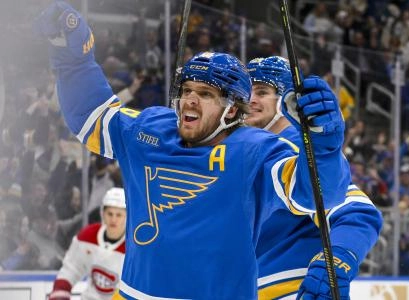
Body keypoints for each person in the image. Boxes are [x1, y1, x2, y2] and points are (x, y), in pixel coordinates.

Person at [35, 2, 381, 299]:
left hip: (280, 288)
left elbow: (331, 201)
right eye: (187, 89)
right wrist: (74, 60)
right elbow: (94, 117)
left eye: (206, 93)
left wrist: (324, 145)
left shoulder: (269, 149)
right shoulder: (153, 130)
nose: (190, 99)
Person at [246, 56, 382, 299]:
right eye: (246, 91)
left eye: (262, 91)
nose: (251, 99)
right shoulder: (247, 148)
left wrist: (336, 261)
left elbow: (357, 213)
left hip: (292, 289)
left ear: (284, 100)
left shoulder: (298, 147)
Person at [48, 187, 126, 300]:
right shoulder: (88, 236)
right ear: (102, 213)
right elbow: (72, 268)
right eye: (110, 214)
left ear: (127, 217)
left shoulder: (134, 249)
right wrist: (61, 291)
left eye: (119, 215)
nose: (113, 219)